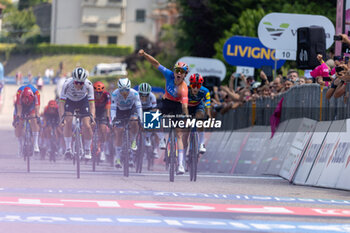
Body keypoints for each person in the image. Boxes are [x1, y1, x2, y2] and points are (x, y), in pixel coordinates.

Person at [138, 49, 189, 174]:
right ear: (174, 71)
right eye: (177, 71)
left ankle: (181, 164)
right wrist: (144, 55)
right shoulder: (169, 74)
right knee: (154, 112)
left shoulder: (184, 88)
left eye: (181, 73)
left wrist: (186, 117)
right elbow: (155, 63)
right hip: (166, 102)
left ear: (184, 75)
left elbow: (184, 106)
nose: (178, 74)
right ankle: (158, 138)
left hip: (178, 106)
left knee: (179, 135)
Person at [59, 67, 96, 160]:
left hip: (83, 101)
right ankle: (68, 148)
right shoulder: (67, 84)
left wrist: (93, 118)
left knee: (87, 125)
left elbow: (92, 104)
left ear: (84, 81)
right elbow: (61, 103)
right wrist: (61, 119)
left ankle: (87, 149)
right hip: (70, 101)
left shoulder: (89, 85)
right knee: (68, 121)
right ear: (73, 80)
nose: (79, 85)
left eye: (81, 83)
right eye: (77, 83)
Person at [111, 78, 143, 168]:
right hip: (119, 111)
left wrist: (140, 118)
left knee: (134, 120)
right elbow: (113, 107)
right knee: (119, 131)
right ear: (119, 89)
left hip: (131, 109)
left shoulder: (134, 93)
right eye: (122, 90)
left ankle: (133, 140)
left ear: (129, 88)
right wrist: (113, 118)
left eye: (126, 90)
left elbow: (139, 106)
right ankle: (117, 158)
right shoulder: (115, 93)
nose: (124, 92)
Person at [183, 73, 211, 154]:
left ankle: (201, 144)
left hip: (198, 106)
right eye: (194, 85)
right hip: (186, 107)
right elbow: (183, 106)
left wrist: (209, 116)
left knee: (200, 118)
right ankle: (183, 158)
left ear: (201, 86)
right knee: (186, 131)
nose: (195, 88)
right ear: (190, 84)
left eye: (198, 86)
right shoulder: (185, 90)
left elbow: (208, 105)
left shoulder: (205, 91)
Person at [13, 84, 41, 156]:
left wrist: (37, 117)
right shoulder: (19, 92)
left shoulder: (36, 93)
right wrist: (17, 118)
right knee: (19, 123)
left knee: (34, 118)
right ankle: (20, 146)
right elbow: (19, 110)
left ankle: (35, 144)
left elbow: (37, 108)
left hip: (32, 105)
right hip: (21, 105)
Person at [138, 82, 160, 158]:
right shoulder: (136, 96)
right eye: (142, 95)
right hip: (139, 109)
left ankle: (155, 149)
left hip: (149, 109)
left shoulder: (152, 96)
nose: (143, 97)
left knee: (155, 126)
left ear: (149, 93)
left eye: (146, 95)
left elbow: (155, 109)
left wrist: (152, 119)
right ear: (139, 93)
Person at [93, 81, 111, 162]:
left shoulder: (107, 95)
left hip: (103, 111)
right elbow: (90, 107)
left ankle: (103, 150)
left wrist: (107, 118)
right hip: (95, 110)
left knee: (103, 129)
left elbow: (108, 107)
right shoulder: (91, 95)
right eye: (96, 92)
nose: (98, 94)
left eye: (100, 93)